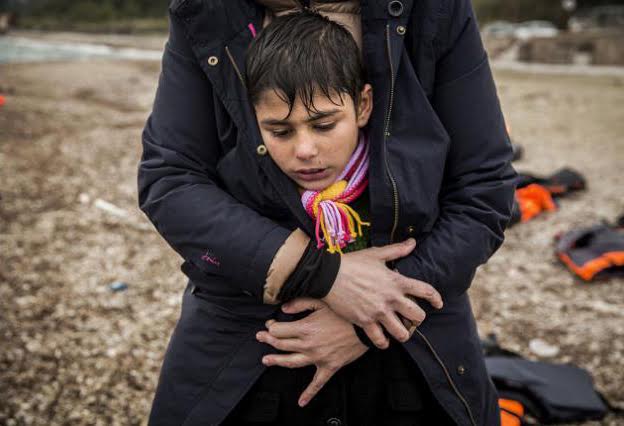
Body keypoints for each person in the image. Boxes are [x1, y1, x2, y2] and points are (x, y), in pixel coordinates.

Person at [137, 1, 516, 425]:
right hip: (244, 321)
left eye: (323, 125)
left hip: (414, 314)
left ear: (364, 105)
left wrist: (376, 314)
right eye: (280, 130)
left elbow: (485, 188)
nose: (305, 150)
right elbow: (169, 181)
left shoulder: (435, 10)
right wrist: (324, 276)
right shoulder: (203, 11)